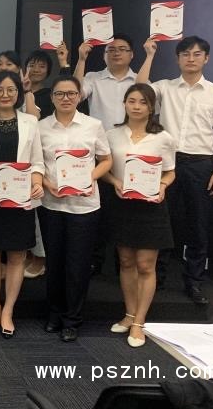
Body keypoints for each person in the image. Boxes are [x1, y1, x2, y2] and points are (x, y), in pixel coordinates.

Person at [136, 36, 213, 305]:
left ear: (206, 58)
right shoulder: (165, 87)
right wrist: (149, 55)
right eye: (185, 54)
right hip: (167, 162)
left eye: (197, 54)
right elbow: (139, 89)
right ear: (177, 59)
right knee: (162, 220)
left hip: (201, 163)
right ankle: (157, 278)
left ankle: (194, 282)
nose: (191, 59)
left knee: (198, 223)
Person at [38, 76, 112, 342]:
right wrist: (47, 184)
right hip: (52, 203)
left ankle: (72, 319)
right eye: (60, 94)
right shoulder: (41, 127)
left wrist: (88, 178)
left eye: (71, 93)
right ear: (52, 98)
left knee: (78, 264)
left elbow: (106, 160)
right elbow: (37, 164)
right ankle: (54, 314)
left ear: (79, 97)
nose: (66, 98)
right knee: (55, 262)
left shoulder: (93, 125)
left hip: (84, 207)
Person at [102, 84, 176, 347]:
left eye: (143, 102)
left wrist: (163, 186)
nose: (136, 106)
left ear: (151, 107)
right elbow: (105, 168)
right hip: (122, 205)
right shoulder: (112, 134)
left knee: (145, 265)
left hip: (151, 206)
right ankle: (129, 314)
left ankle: (139, 322)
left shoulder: (163, 137)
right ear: (124, 103)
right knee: (125, 261)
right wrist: (115, 182)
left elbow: (170, 171)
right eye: (131, 101)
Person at [0, 70, 44, 339]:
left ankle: (8, 311)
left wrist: (36, 182)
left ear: (18, 93)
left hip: (20, 199)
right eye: (0, 90)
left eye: (11, 90)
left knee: (17, 256)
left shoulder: (30, 122)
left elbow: (37, 161)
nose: (5, 95)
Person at [74, 33, 141, 277]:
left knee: (126, 209)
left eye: (122, 49)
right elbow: (75, 94)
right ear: (104, 55)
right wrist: (82, 59)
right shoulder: (93, 77)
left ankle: (122, 263)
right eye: (110, 49)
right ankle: (95, 260)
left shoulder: (139, 79)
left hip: (130, 151)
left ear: (131, 54)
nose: (116, 53)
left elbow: (147, 104)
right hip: (99, 152)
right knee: (98, 209)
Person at [26, 44, 72, 120]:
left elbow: (66, 84)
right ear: (25, 68)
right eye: (32, 65)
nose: (36, 70)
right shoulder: (16, 92)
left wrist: (63, 61)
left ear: (48, 71)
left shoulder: (50, 95)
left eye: (42, 66)